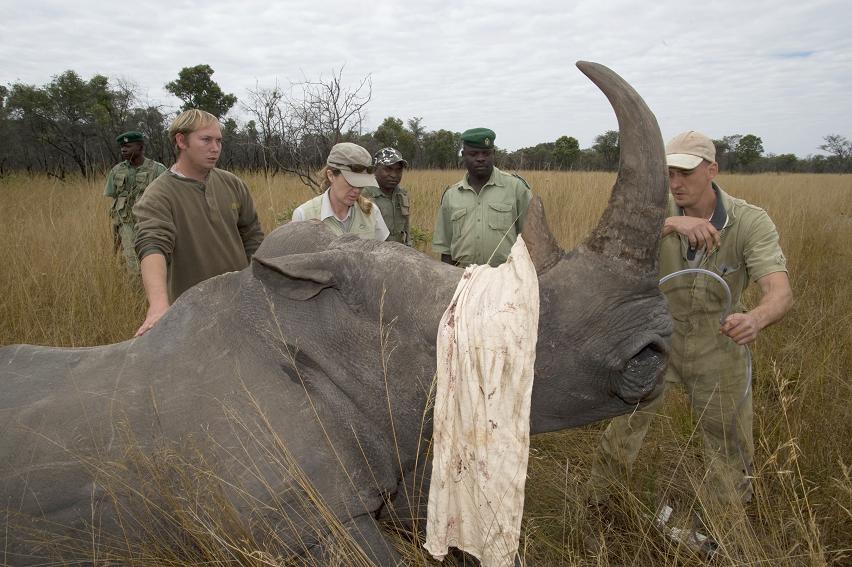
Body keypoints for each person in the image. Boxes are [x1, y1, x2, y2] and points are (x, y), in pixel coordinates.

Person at [588, 130, 793, 509]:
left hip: (719, 342)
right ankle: (600, 507)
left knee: (728, 441)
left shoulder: (748, 221)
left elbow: (779, 291)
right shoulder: (654, 211)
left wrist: (756, 319)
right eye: (670, 173)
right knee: (625, 424)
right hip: (656, 340)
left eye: (686, 172)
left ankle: (727, 529)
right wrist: (669, 224)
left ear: (712, 169)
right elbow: (605, 255)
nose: (676, 183)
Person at [133, 109, 264, 337]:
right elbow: (152, 245)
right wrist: (158, 306)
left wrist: (259, 288)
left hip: (241, 305)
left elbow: (253, 237)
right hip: (191, 314)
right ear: (181, 140)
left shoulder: (233, 184)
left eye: (219, 141)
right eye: (206, 140)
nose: (215, 148)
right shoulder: (159, 194)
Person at [432, 128, 532, 267]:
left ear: (494, 154)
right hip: (462, 278)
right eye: (473, 154)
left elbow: (530, 241)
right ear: (463, 155)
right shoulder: (451, 195)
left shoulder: (516, 189)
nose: (480, 158)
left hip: (505, 278)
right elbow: (446, 250)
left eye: (486, 153)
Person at [292, 142, 390, 241]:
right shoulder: (303, 216)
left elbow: (381, 253)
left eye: (361, 183)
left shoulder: (372, 212)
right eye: (351, 183)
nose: (357, 190)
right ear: (331, 176)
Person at [103, 131, 166, 273]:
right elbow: (113, 196)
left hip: (150, 222)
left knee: (151, 256)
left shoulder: (157, 169)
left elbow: (169, 197)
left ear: (140, 147)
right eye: (122, 147)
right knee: (131, 258)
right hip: (126, 222)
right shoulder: (117, 170)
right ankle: (135, 291)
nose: (123, 150)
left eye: (128, 146)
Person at [362, 147, 412, 246]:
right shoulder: (363, 195)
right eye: (388, 169)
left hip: (400, 253)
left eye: (398, 170)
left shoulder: (402, 195)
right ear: (375, 169)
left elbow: (406, 230)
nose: (394, 175)